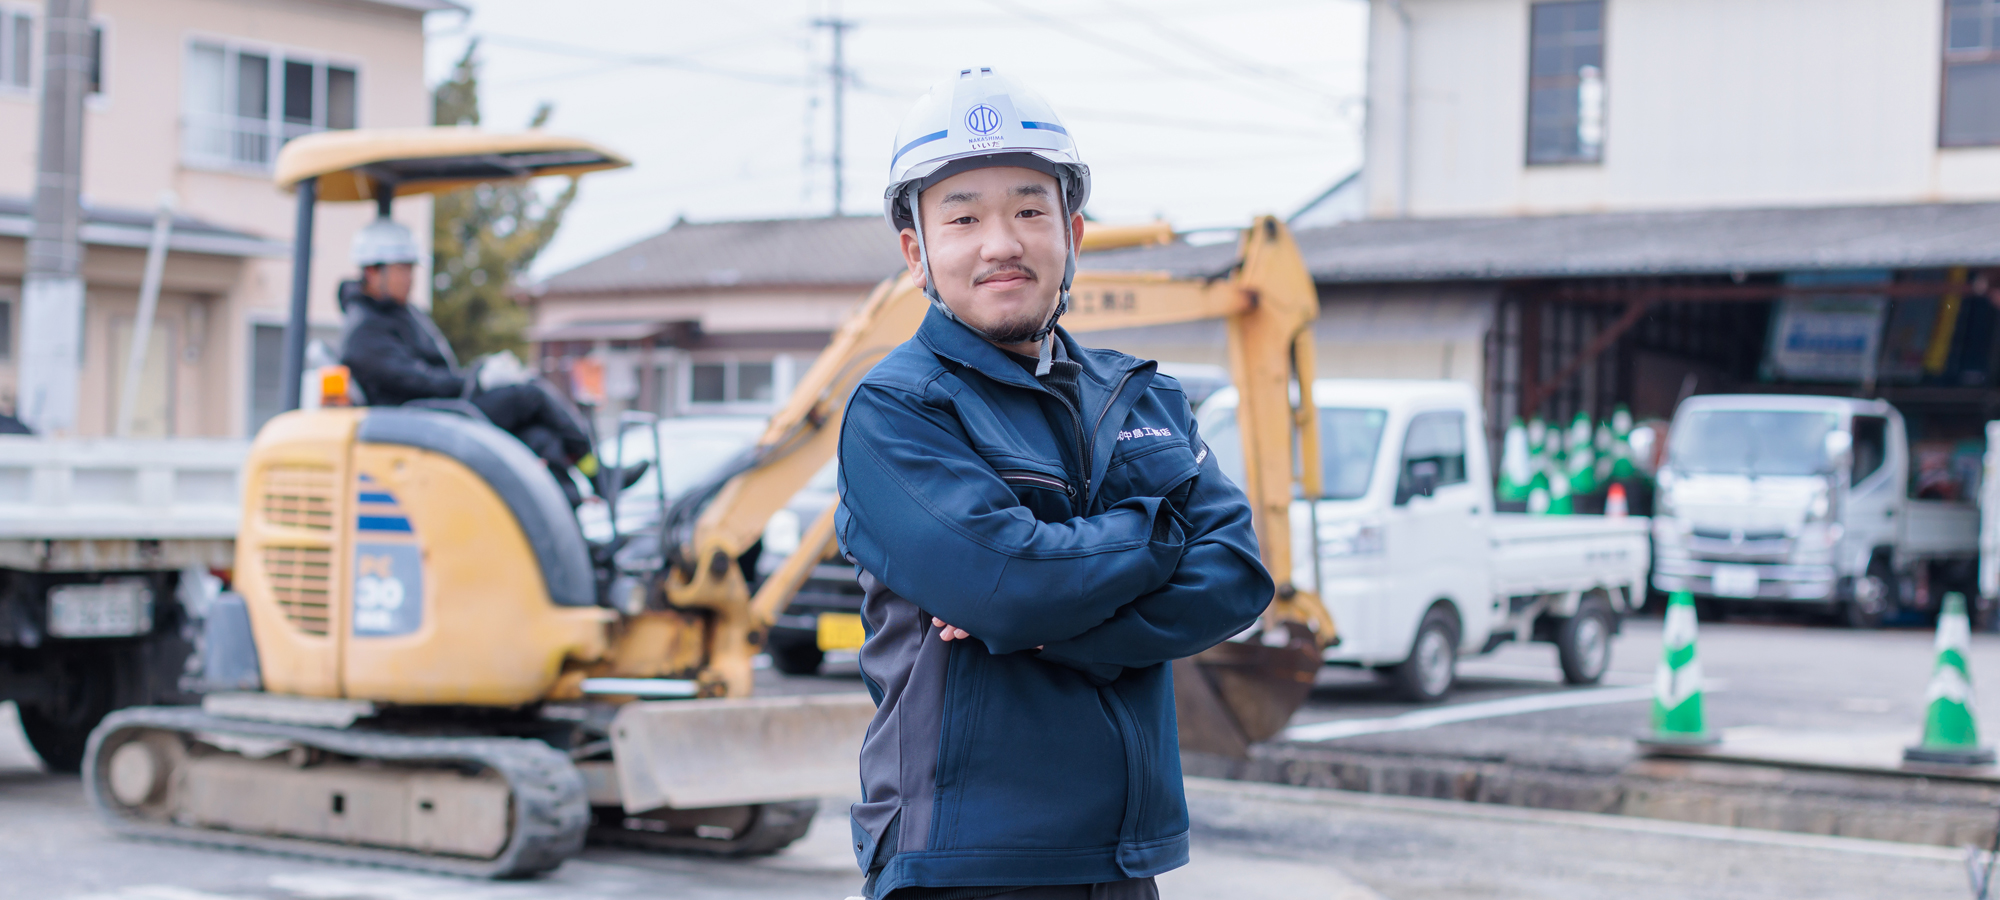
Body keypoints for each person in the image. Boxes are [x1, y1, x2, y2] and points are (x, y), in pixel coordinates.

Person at [835, 68, 1275, 900]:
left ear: (1071, 231)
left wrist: (1058, 628)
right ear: (916, 251)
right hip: (964, 860)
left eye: (1029, 210)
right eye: (962, 217)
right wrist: (1159, 534)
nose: (1001, 241)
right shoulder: (895, 410)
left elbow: (1238, 577)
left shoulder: (1142, 392)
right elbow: (1008, 583)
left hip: (1124, 859)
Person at [336, 216, 637, 504]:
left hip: (442, 413)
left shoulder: (399, 313)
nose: (410, 278)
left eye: (411, 269)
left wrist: (478, 373)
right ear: (372, 271)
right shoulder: (365, 331)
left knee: (540, 438)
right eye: (402, 269)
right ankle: (599, 476)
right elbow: (414, 381)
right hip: (425, 421)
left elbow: (432, 372)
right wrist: (475, 379)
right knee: (529, 394)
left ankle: (572, 523)